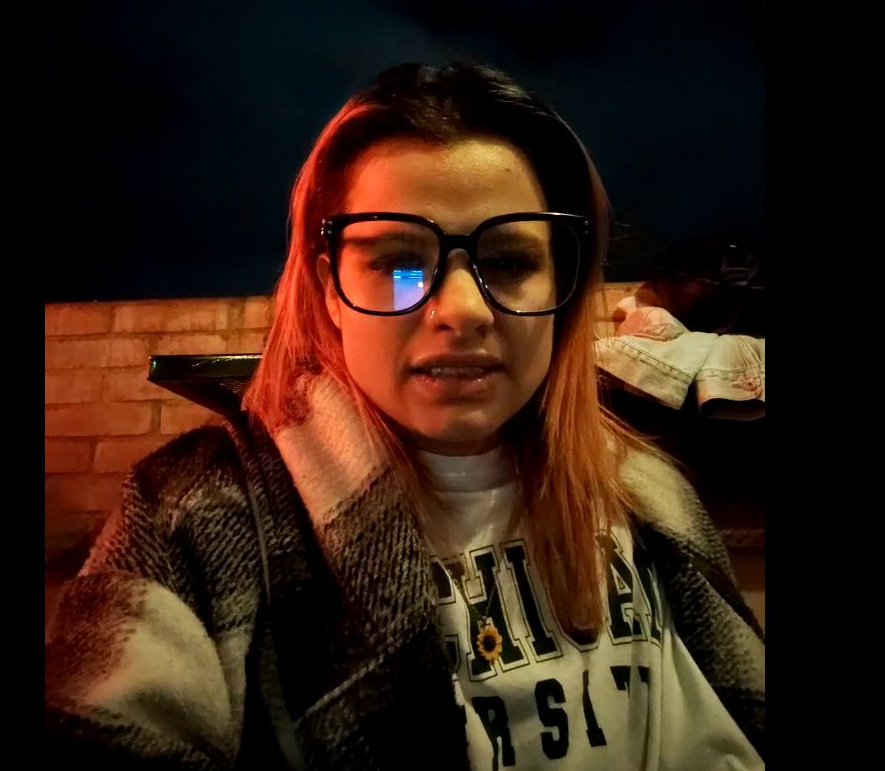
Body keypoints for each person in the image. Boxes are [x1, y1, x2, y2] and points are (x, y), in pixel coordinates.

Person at [45, 62, 765, 769]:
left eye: (509, 263)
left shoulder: (649, 492)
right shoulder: (194, 518)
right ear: (329, 290)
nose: (462, 310)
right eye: (398, 263)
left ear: (564, 285)